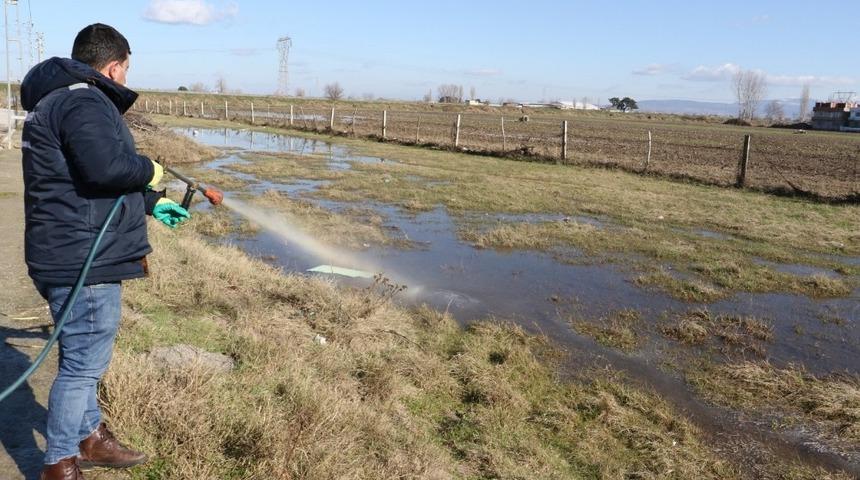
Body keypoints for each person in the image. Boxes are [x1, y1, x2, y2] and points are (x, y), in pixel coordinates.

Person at [20, 24, 190, 480]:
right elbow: (107, 168)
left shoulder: (57, 100)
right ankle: (59, 461)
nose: (125, 78)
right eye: (126, 70)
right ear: (115, 66)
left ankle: (91, 436)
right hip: (84, 260)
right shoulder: (84, 100)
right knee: (81, 365)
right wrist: (151, 169)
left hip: (66, 249)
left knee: (83, 355)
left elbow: (83, 180)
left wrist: (154, 201)